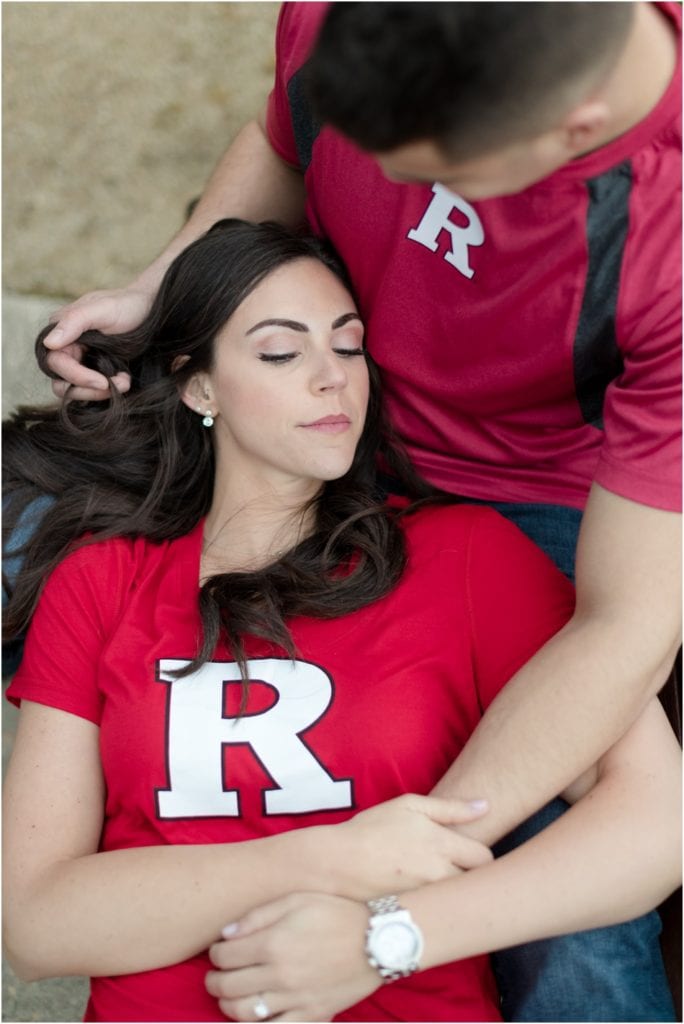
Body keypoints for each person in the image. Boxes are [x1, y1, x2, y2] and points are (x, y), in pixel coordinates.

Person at [17, 3, 683, 1019]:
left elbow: (628, 628)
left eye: (430, 173)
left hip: (549, 490)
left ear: (574, 131)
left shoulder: (666, 243)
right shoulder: (349, 18)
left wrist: (395, 893)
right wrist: (168, 284)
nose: (403, 207)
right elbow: (283, 136)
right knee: (39, 532)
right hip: (300, 443)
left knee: (563, 900)